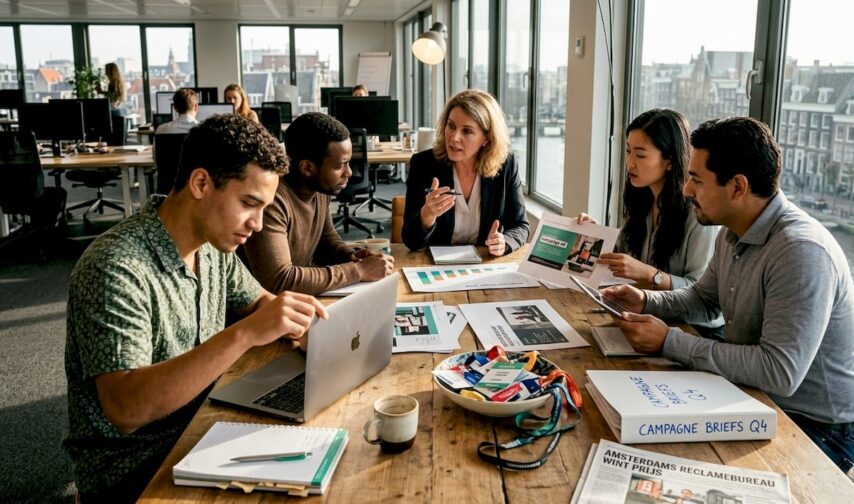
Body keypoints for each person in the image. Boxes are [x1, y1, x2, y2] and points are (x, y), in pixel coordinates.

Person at [64, 114, 328, 503]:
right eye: (249, 204)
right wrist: (244, 333)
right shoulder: (115, 266)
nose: (257, 224)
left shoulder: (213, 245)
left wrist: (305, 327)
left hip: (203, 426)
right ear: (201, 183)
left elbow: (260, 303)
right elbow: (126, 409)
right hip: (134, 469)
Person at [603, 116, 854, 475]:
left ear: (738, 186)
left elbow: (778, 372)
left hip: (814, 427)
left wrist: (669, 342)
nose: (686, 190)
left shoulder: (801, 251)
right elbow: (702, 300)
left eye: (696, 179)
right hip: (751, 396)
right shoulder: (732, 232)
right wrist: (646, 300)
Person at [243, 112, 394, 295]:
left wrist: (351, 256)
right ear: (307, 167)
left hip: (298, 298)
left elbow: (326, 238)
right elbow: (279, 280)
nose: (349, 173)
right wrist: (357, 271)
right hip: (266, 306)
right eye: (340, 166)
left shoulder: (319, 188)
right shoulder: (271, 201)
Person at [577, 109, 719, 291]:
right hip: (634, 302)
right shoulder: (640, 199)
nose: (630, 163)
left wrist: (649, 274)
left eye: (640, 155)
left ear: (670, 161)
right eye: (628, 151)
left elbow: (700, 291)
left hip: (668, 309)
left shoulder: (699, 213)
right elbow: (623, 257)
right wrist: (597, 236)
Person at [401, 89, 528, 256]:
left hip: (484, 263)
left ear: (487, 138)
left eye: (467, 131)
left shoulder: (506, 165)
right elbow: (411, 241)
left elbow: (520, 225)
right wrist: (427, 216)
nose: (454, 137)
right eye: (451, 126)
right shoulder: (423, 164)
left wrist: (504, 242)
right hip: (434, 264)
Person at [152, 88, 199, 161]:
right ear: (196, 107)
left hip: (167, 169)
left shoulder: (160, 130)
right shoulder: (205, 131)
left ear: (174, 108)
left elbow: (155, 157)